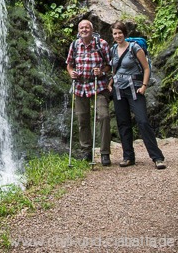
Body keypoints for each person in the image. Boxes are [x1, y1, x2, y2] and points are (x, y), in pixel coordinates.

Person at [109, 20, 166, 170]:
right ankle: (128, 156)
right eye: (115, 33)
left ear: (125, 33)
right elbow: (114, 70)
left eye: (120, 32)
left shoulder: (135, 48)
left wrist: (144, 86)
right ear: (112, 35)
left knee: (142, 121)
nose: (118, 35)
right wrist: (110, 84)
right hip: (118, 90)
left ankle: (157, 157)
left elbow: (146, 68)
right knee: (123, 123)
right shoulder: (113, 49)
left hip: (135, 89)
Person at [66, 19, 112, 166]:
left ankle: (105, 153)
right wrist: (71, 73)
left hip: (98, 85)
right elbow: (69, 65)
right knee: (82, 119)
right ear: (78, 30)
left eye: (86, 27)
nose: (84, 29)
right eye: (81, 28)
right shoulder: (74, 45)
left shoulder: (102, 44)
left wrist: (102, 71)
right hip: (80, 86)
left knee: (104, 116)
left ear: (92, 30)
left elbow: (109, 64)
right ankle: (86, 151)